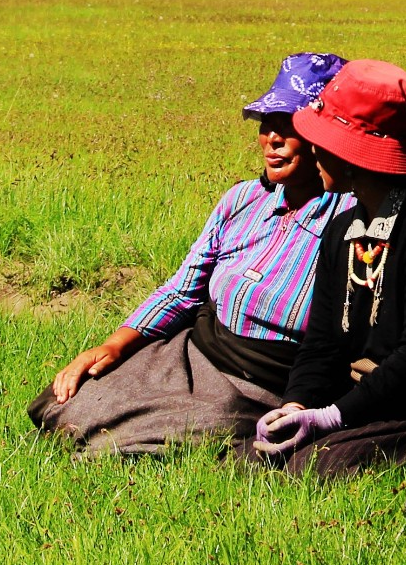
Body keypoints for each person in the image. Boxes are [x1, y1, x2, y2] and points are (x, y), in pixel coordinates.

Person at [28, 53, 354, 455]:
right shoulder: (243, 200)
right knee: (71, 403)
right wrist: (113, 345)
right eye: (267, 124)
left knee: (135, 438)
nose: (272, 138)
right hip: (197, 352)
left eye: (290, 126)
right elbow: (182, 291)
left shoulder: (351, 219)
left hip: (261, 384)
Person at [248, 60, 406, 477]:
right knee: (258, 454)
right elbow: (321, 342)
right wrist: (296, 404)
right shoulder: (343, 229)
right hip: (373, 394)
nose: (312, 149)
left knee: (319, 467)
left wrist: (332, 417)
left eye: (322, 140)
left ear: (350, 154)